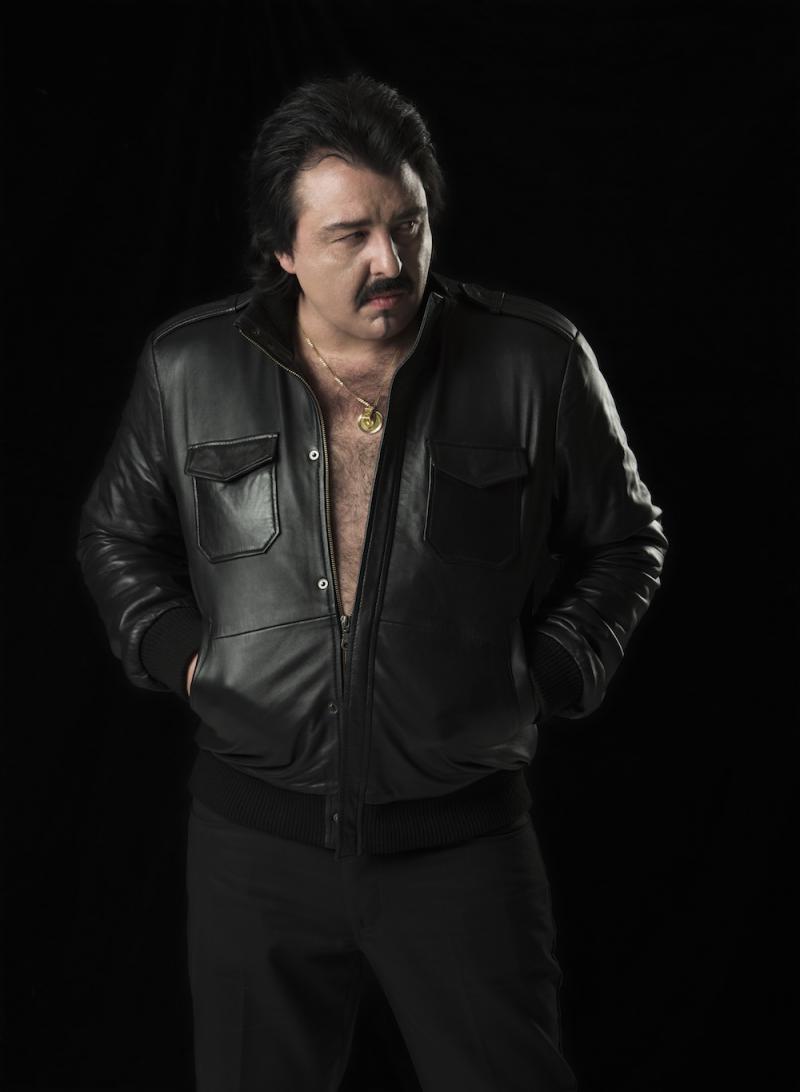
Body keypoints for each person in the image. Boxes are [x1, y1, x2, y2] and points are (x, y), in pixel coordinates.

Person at [77, 73, 667, 1092]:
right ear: (282, 249)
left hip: (463, 846)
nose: (390, 261)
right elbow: (115, 537)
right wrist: (191, 665)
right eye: (350, 235)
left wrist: (548, 673)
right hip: (254, 849)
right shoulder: (189, 369)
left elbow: (626, 541)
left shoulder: (533, 361)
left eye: (408, 225)